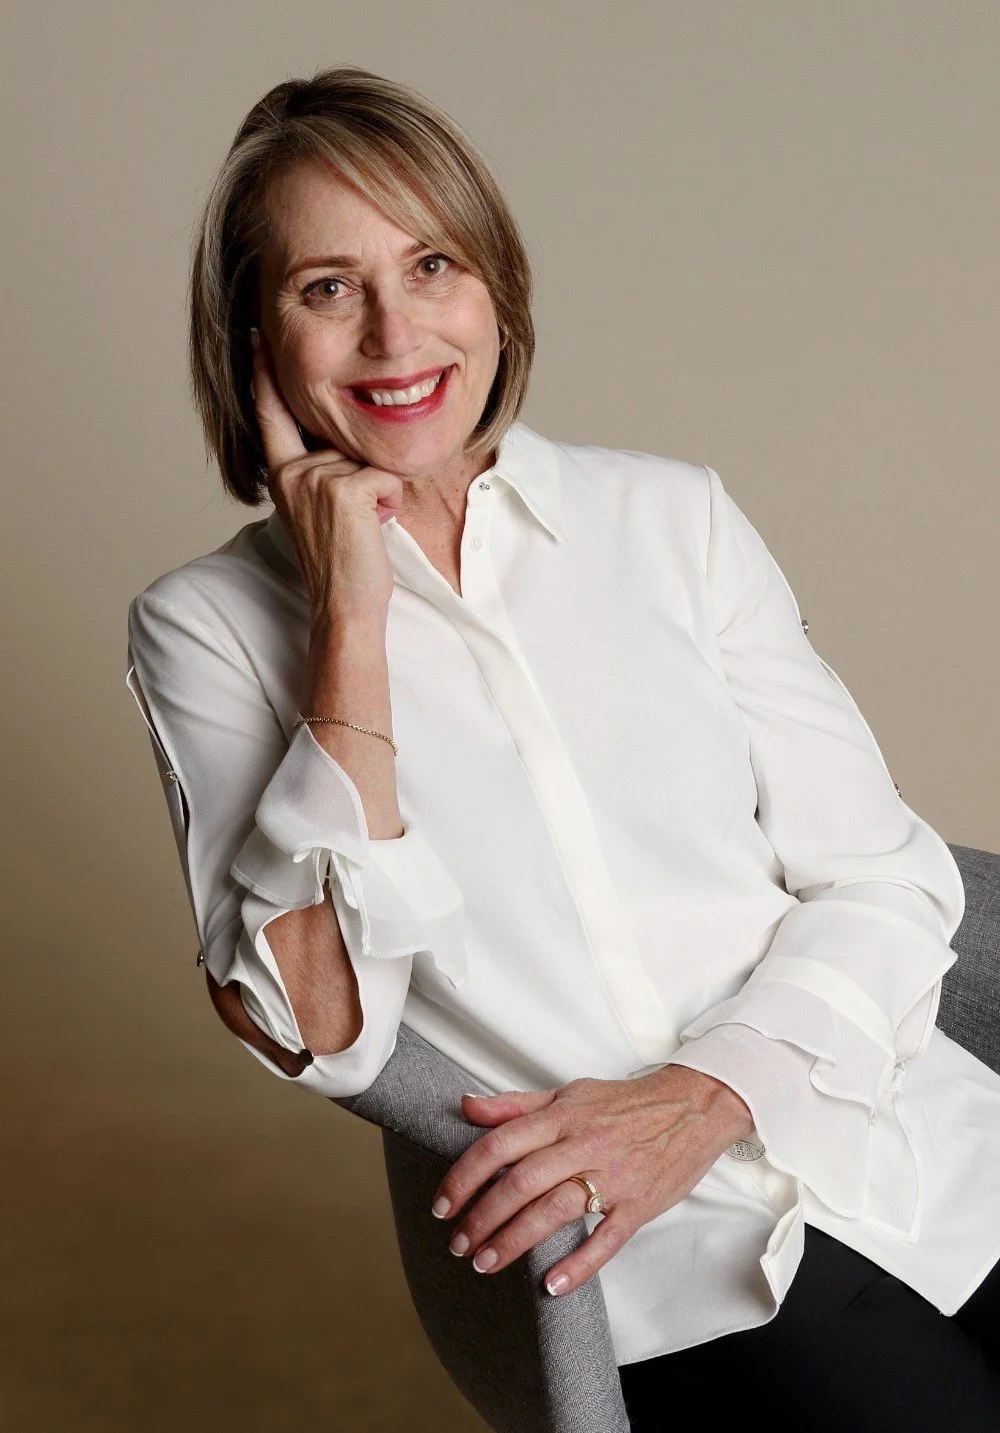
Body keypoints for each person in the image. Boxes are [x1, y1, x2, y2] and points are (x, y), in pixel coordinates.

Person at [125, 67, 1000, 1429]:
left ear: (498, 289)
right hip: (651, 1265)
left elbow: (888, 880)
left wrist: (709, 1091)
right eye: (324, 288)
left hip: (914, 1143)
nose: (395, 332)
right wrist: (349, 618)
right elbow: (321, 1028)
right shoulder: (208, 627)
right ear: (256, 337)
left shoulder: (675, 520)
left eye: (432, 264)